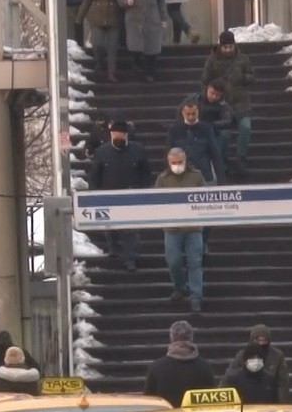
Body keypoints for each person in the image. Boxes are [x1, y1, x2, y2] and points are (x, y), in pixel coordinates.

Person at [88, 119, 152, 271]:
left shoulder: (138, 150)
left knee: (131, 230)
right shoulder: (101, 152)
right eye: (116, 135)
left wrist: (141, 190)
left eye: (122, 135)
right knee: (110, 227)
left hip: (131, 196)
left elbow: (146, 173)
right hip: (108, 195)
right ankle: (113, 248)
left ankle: (131, 259)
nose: (119, 138)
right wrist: (95, 193)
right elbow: (95, 176)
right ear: (111, 135)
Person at [155, 148, 207, 313]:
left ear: (185, 160)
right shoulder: (163, 179)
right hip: (172, 228)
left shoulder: (196, 176)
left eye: (180, 162)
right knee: (173, 261)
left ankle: (196, 297)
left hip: (193, 228)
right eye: (174, 163)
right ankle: (180, 287)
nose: (177, 165)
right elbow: (155, 201)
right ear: (168, 163)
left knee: (195, 263)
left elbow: (206, 198)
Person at [202, 31, 256, 174]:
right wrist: (209, 97)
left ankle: (241, 157)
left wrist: (244, 77)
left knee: (246, 127)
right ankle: (223, 161)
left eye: (230, 47)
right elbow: (205, 80)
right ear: (220, 46)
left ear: (234, 45)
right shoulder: (212, 60)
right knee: (224, 134)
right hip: (222, 103)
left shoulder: (242, 59)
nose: (228, 50)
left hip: (242, 102)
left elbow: (252, 76)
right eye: (225, 47)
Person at [76, 0, 124, 82]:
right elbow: (87, 0)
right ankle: (99, 61)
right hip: (96, 19)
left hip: (114, 19)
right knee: (98, 44)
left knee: (112, 47)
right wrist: (80, 17)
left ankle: (111, 73)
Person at [117, 0, 166, 82]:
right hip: (134, 21)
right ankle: (136, 64)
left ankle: (150, 72)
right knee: (135, 47)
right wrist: (127, 1)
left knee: (152, 49)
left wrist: (163, 17)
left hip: (152, 21)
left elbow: (161, 0)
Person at [144, 320, 215, 406]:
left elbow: (148, 402)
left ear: (171, 338)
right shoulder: (205, 367)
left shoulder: (156, 368)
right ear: (191, 338)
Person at [167, 97, 224, 185]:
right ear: (182, 113)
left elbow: (215, 155)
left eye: (193, 114)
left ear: (198, 112)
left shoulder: (207, 129)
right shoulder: (174, 130)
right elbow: (168, 154)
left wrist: (221, 180)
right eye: (188, 114)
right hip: (181, 177)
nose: (191, 117)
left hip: (205, 176)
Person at [225, 325, 289, 400]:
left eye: (264, 340)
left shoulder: (277, 356)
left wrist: (280, 403)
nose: (261, 343)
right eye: (258, 340)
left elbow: (283, 382)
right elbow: (229, 376)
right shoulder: (243, 354)